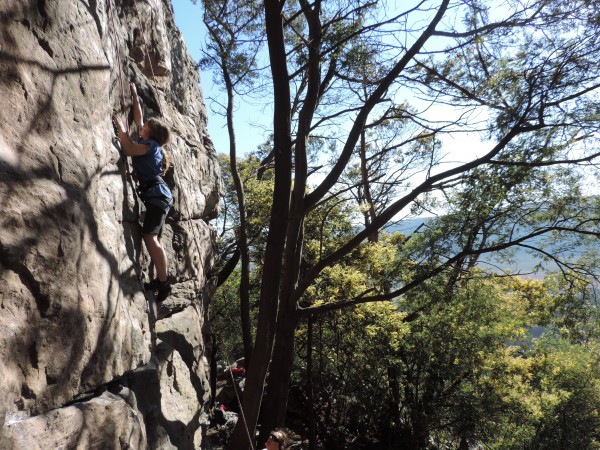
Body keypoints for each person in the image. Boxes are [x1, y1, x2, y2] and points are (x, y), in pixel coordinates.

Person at [113, 82, 173, 302]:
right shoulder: (149, 141)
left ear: (151, 132)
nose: (143, 125)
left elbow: (128, 149)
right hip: (159, 196)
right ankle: (161, 279)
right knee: (153, 237)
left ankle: (164, 282)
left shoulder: (151, 147)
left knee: (150, 237)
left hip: (157, 196)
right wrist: (135, 95)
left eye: (147, 125)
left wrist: (121, 130)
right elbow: (139, 118)